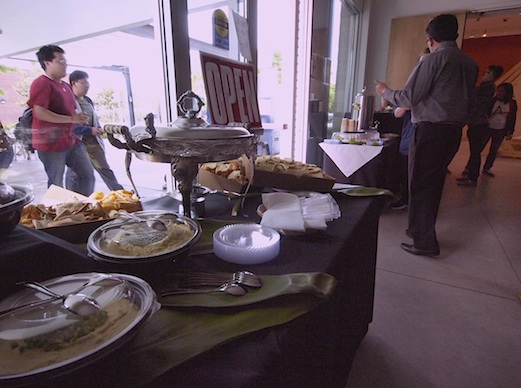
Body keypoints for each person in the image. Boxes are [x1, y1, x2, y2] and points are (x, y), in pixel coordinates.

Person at [375, 14, 479, 257]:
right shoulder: (469, 63)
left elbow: (409, 98)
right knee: (432, 184)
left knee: (421, 185)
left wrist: (385, 91)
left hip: (431, 130)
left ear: (430, 39)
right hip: (453, 132)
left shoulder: (434, 61)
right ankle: (418, 230)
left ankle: (424, 241)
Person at [27, 45, 95, 196]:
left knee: (87, 176)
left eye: (65, 61)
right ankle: (57, 214)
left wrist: (78, 118)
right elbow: (40, 112)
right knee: (56, 183)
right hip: (51, 143)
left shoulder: (64, 85)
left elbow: (71, 111)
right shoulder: (41, 83)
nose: (65, 64)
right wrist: (71, 119)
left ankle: (80, 209)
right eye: (61, 61)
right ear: (47, 63)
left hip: (71, 140)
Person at [65, 70, 124, 191]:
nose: (87, 86)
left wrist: (97, 129)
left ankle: (121, 193)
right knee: (76, 174)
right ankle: (73, 199)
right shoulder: (68, 102)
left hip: (94, 144)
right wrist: (89, 130)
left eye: (88, 83)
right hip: (78, 145)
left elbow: (93, 120)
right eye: (83, 83)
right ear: (74, 83)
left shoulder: (88, 100)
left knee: (105, 170)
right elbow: (69, 126)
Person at [390, 48, 430, 211]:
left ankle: (418, 204)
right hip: (408, 137)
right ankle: (406, 199)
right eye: (421, 61)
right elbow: (397, 113)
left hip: (425, 135)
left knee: (422, 173)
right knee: (405, 171)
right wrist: (406, 105)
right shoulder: (413, 88)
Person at [457, 65, 504, 186]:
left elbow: (476, 102)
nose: (484, 74)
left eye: (487, 72)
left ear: (493, 74)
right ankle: (470, 174)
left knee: (475, 152)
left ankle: (472, 177)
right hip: (476, 122)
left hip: (478, 123)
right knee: (475, 152)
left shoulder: (487, 88)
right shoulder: (486, 87)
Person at [481, 83, 518, 176]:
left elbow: (513, 117)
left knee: (494, 150)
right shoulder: (493, 101)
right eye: (498, 91)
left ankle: (487, 168)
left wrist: (510, 131)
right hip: (488, 127)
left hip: (501, 129)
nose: (499, 93)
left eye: (502, 91)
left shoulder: (512, 103)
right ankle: (470, 168)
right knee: (479, 148)